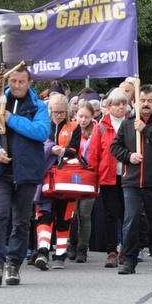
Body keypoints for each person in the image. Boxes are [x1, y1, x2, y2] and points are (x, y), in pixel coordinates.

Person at [0, 66, 50, 286]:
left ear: (29, 84)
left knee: (21, 221)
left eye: (21, 81)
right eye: (13, 81)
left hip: (26, 172)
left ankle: (13, 265)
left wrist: (10, 118)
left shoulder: (38, 107)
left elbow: (41, 132)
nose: (16, 85)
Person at [111, 84, 152, 274]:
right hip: (131, 181)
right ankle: (129, 259)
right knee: (131, 220)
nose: (146, 104)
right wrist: (129, 156)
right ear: (135, 102)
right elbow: (115, 148)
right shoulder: (127, 124)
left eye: (150, 101)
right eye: (143, 100)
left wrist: (146, 129)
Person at [34, 93, 81, 270]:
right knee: (44, 214)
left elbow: (75, 150)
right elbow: (36, 148)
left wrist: (61, 151)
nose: (58, 115)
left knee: (64, 216)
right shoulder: (42, 127)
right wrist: (50, 149)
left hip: (66, 177)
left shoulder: (74, 127)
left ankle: (60, 254)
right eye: (55, 112)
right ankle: (43, 251)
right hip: (45, 176)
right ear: (50, 111)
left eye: (62, 112)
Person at [88, 89, 129, 268]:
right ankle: (112, 250)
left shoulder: (131, 124)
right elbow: (94, 154)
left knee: (128, 214)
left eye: (124, 103)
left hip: (129, 176)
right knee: (111, 214)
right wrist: (94, 177)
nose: (121, 107)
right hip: (108, 176)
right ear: (109, 107)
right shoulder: (101, 126)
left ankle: (126, 249)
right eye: (117, 104)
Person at [68, 100, 98, 263]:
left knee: (84, 215)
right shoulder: (71, 130)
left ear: (92, 116)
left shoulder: (97, 131)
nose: (83, 120)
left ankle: (82, 248)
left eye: (86, 117)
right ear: (75, 115)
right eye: (80, 116)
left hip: (89, 176)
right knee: (72, 214)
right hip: (71, 176)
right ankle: (71, 244)